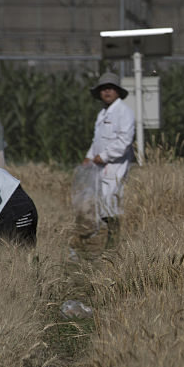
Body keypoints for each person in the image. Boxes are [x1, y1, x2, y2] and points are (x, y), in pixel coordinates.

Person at [83, 72, 136, 243]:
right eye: (103, 89)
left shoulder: (124, 112)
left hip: (115, 166)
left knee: (111, 203)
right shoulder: (102, 114)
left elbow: (124, 141)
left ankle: (113, 242)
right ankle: (106, 240)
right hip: (101, 166)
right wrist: (89, 156)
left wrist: (104, 156)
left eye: (110, 89)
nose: (107, 92)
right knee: (102, 203)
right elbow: (97, 140)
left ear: (118, 92)